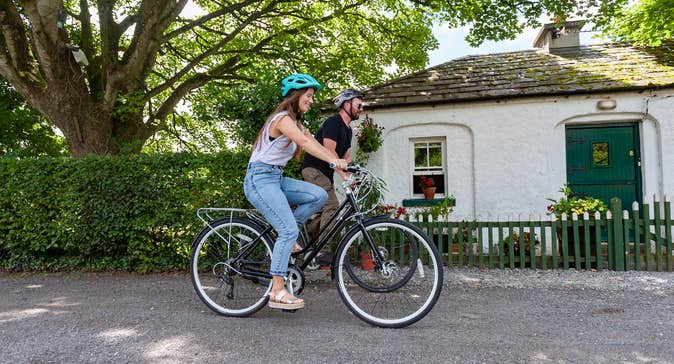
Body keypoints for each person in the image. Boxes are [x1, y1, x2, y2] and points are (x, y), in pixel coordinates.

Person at [244, 73, 348, 310]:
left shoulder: (298, 124)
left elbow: (319, 147)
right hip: (259, 179)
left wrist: (345, 172)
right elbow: (305, 144)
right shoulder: (282, 119)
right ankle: (277, 290)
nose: (311, 101)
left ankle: (285, 237)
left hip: (276, 178)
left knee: (319, 196)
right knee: (289, 229)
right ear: (296, 95)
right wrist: (335, 163)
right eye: (309, 96)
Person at [300, 89, 364, 265]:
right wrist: (344, 176)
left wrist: (353, 178)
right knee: (333, 205)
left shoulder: (348, 130)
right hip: (314, 169)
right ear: (346, 104)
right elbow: (330, 151)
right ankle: (321, 252)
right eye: (359, 105)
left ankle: (302, 236)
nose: (361, 109)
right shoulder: (333, 122)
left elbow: (346, 157)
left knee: (329, 211)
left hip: (324, 173)